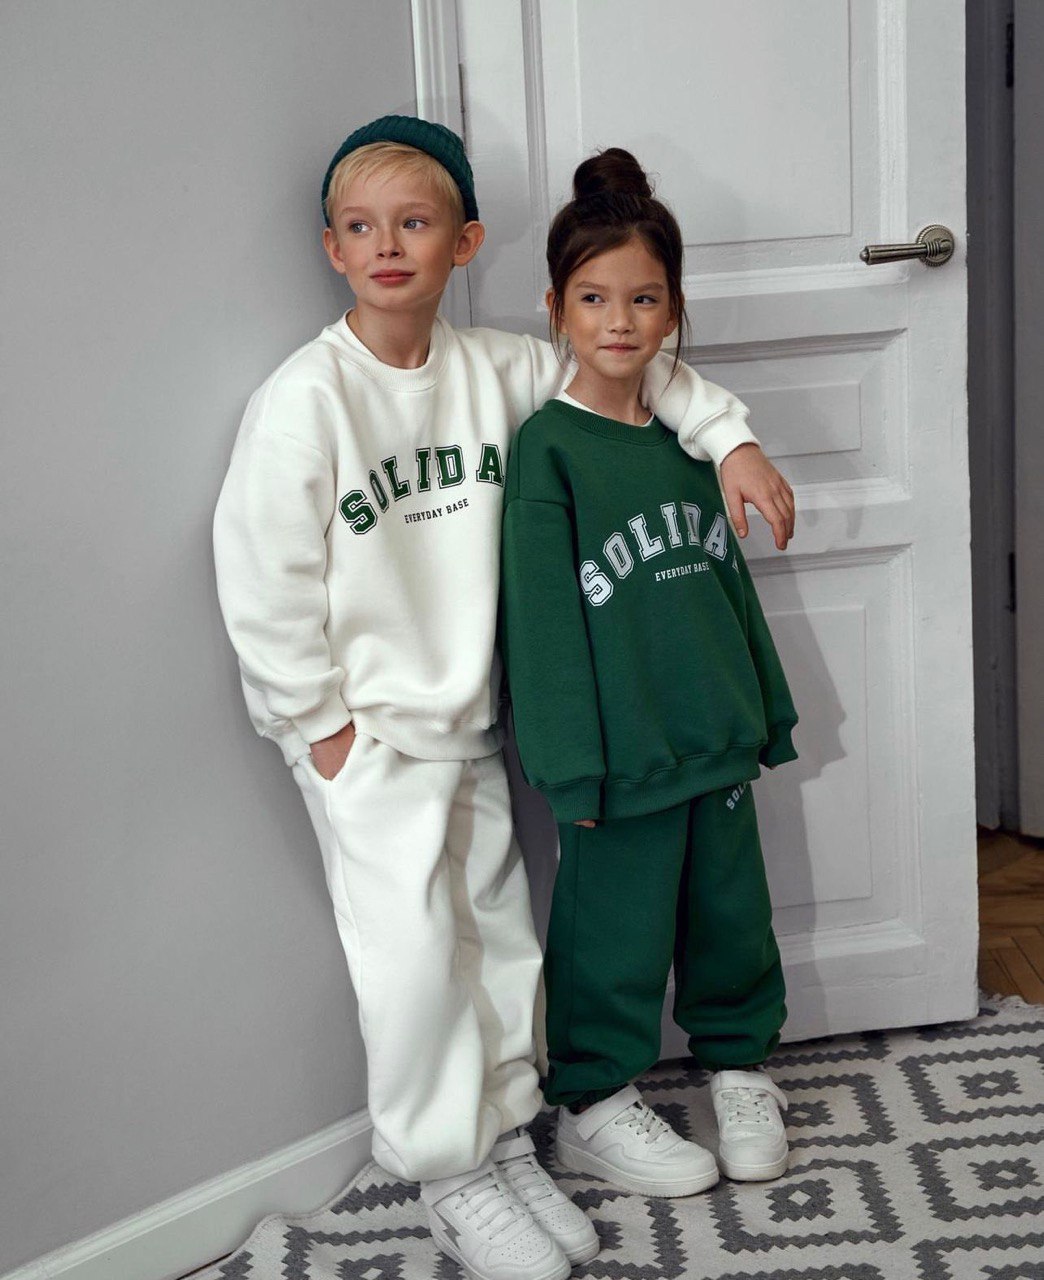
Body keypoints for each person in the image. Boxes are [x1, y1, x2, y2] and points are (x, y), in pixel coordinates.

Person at [213, 116, 795, 1280]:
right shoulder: (306, 399)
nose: (389, 246)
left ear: (465, 242)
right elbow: (260, 571)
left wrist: (730, 441)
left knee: (497, 942)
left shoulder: (499, 367)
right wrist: (318, 726)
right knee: (415, 963)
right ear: (334, 248)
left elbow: (628, 365)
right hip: (370, 734)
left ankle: (508, 1138)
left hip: (475, 721)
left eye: (415, 224)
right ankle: (448, 1175)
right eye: (363, 227)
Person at [500, 147, 798, 1201]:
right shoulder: (549, 450)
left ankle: (739, 1066)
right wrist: (567, 765)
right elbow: (541, 626)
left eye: (643, 298)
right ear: (556, 308)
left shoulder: (693, 441)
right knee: (611, 936)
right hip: (620, 760)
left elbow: (726, 587)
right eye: (593, 297)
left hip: (713, 733)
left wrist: (765, 708)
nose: (619, 320)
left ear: (673, 311)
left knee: (731, 916)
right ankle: (593, 1101)